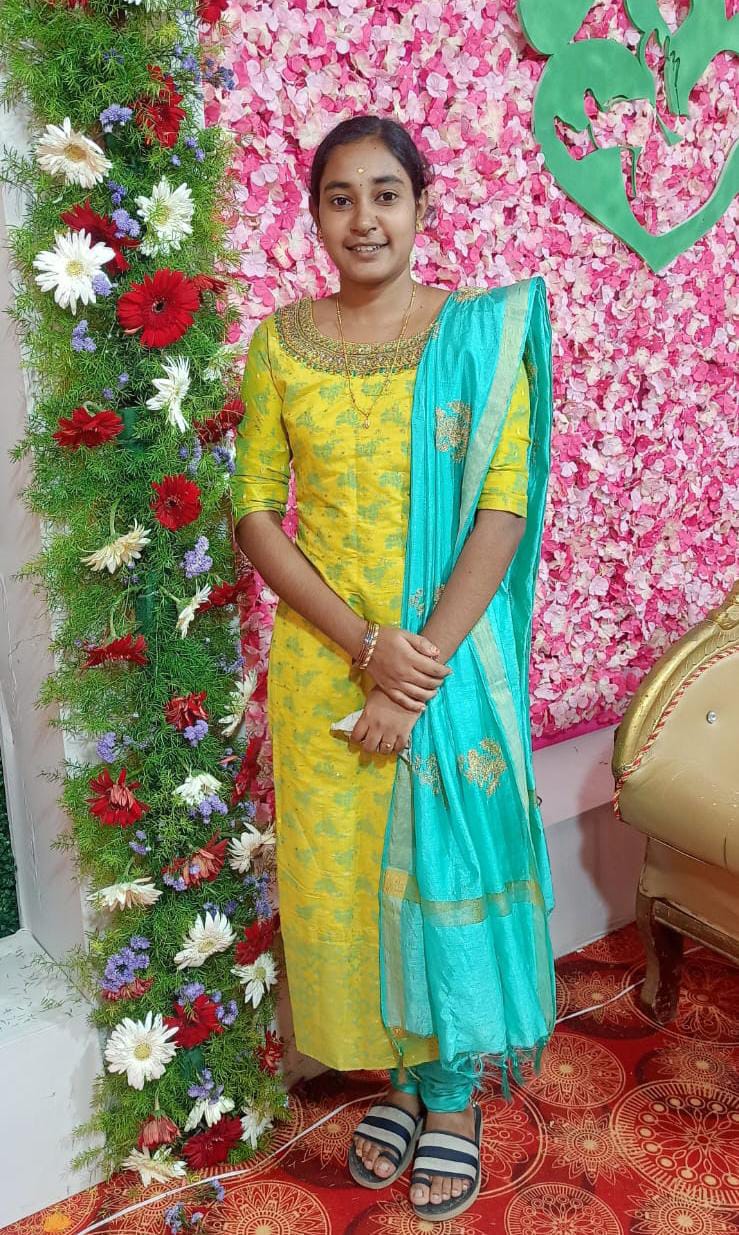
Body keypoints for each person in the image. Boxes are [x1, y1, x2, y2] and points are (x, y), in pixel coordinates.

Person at [233, 114, 556, 1224]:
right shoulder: (280, 343)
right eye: (340, 197)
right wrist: (363, 647)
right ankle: (399, 1080)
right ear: (314, 214)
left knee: (440, 874)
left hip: (444, 664)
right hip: (325, 665)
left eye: (385, 194)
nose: (363, 218)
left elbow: (501, 509)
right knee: (350, 886)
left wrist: (412, 670)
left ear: (421, 205)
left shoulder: (474, 338)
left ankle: (451, 1095)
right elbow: (254, 513)